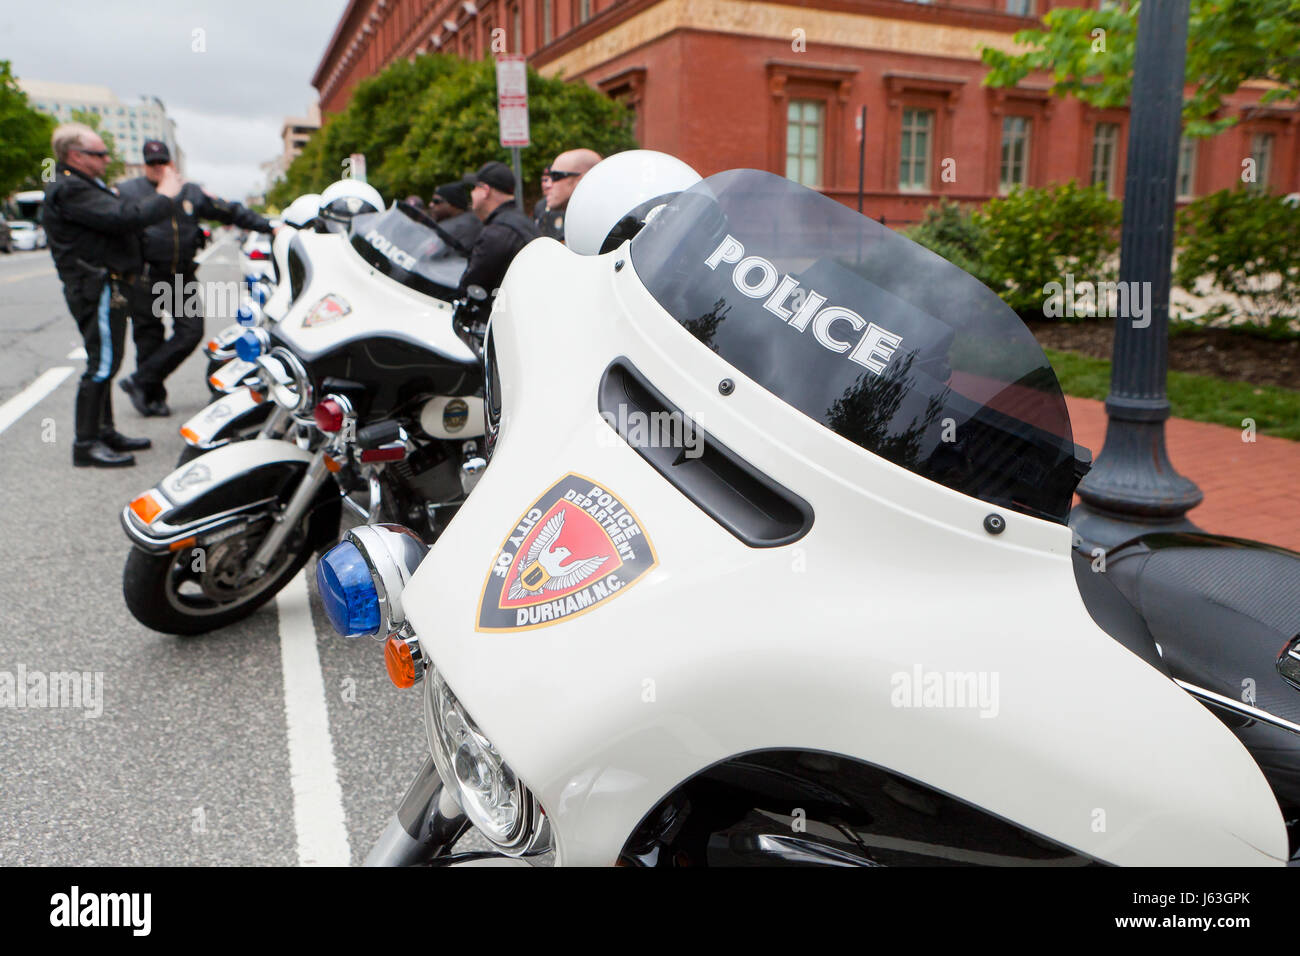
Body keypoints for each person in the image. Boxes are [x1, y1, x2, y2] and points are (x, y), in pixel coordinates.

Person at [43, 122, 181, 467]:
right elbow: (125, 217)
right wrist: (164, 193)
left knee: (107, 361)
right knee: (101, 364)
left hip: (106, 284)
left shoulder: (84, 186)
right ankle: (86, 443)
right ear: (76, 156)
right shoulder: (72, 188)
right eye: (99, 153)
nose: (107, 158)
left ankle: (104, 431)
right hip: (98, 286)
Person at [117, 140, 275, 416]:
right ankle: (151, 396)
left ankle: (141, 380)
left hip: (180, 277)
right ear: (144, 165)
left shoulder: (189, 191)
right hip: (145, 277)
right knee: (148, 337)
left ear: (171, 164)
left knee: (191, 332)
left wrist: (269, 226)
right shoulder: (129, 191)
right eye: (152, 163)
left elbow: (229, 210)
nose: (158, 168)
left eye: (162, 163)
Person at [460, 161, 540, 300]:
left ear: (485, 191)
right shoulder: (521, 220)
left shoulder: (498, 231)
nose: (472, 193)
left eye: (474, 188)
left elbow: (472, 285)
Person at [533, 148, 602, 242]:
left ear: (582, 179)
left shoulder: (600, 228)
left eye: (555, 176)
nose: (548, 184)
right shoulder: (547, 215)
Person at [427, 181, 482, 254]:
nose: (431, 205)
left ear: (453, 204)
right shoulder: (472, 219)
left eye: (436, 201)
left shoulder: (461, 226)